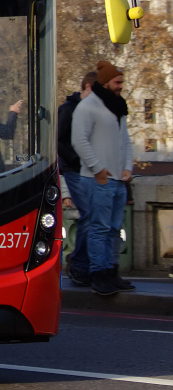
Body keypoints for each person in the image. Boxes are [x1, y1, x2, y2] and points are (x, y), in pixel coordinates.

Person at [71, 60, 135, 296]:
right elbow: (79, 141)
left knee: (113, 229)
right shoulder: (87, 108)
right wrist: (98, 169)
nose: (120, 86)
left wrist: (128, 166)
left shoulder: (118, 107)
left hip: (117, 179)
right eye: (117, 82)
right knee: (100, 228)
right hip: (97, 179)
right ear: (105, 82)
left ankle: (110, 271)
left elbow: (125, 140)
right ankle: (98, 274)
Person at [57, 70, 98, 286]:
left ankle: (84, 262)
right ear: (89, 87)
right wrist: (79, 160)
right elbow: (60, 142)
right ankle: (80, 264)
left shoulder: (92, 109)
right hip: (74, 170)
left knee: (94, 216)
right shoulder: (69, 109)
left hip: (89, 170)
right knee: (89, 214)